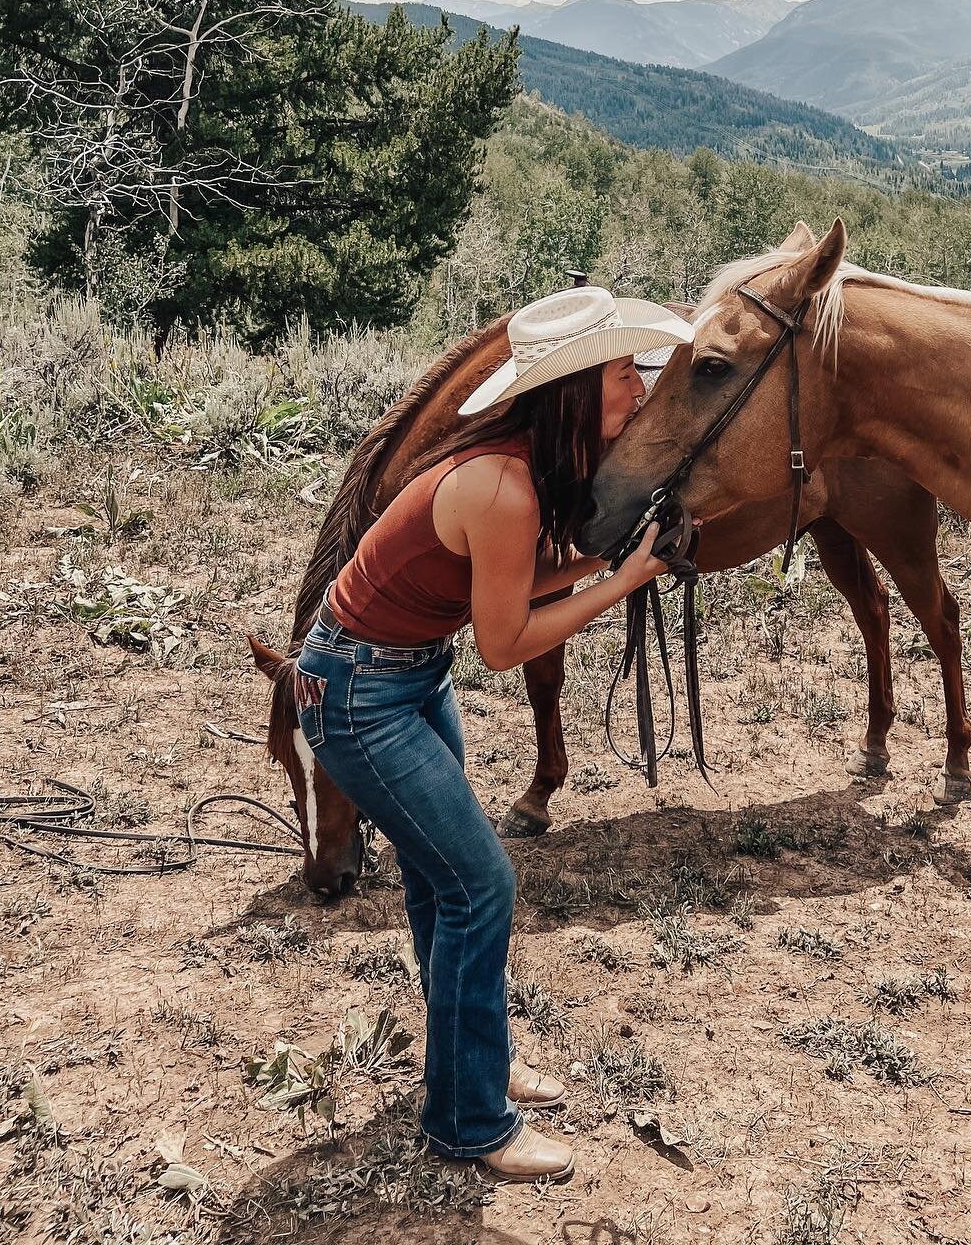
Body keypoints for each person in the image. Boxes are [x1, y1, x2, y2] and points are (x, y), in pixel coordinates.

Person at [294, 286, 693, 1181]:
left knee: (445, 886)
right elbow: (505, 643)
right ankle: (471, 1122)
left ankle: (471, 1062)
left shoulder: (515, 461)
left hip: (399, 675)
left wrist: (615, 555)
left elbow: (526, 577)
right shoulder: (502, 485)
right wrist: (624, 581)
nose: (639, 387)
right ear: (577, 388)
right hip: (362, 695)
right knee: (481, 882)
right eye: (626, 371)